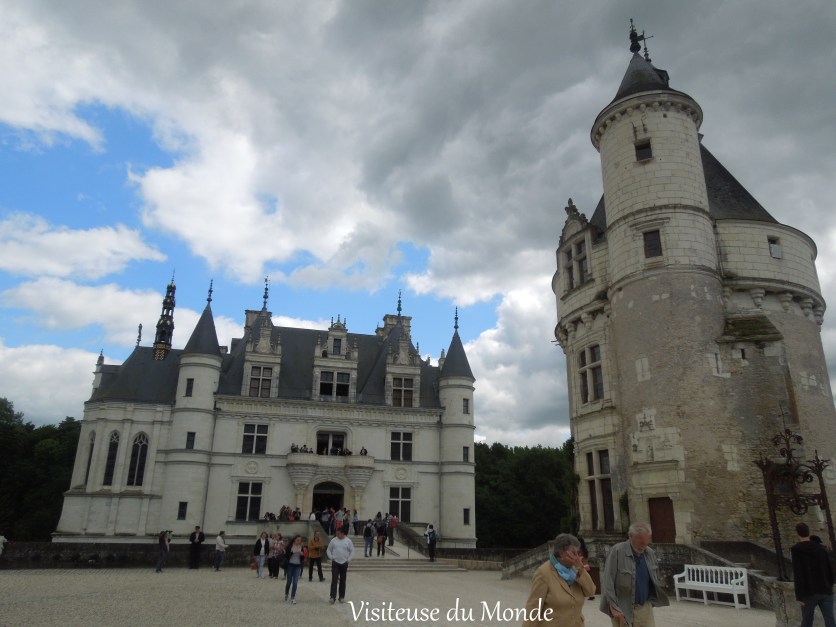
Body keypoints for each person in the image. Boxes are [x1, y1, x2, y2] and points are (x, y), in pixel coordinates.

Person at [600, 522, 669, 627]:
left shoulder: (649, 553)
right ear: (631, 536)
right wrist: (613, 607)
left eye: (646, 543)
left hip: (645, 609)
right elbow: (607, 581)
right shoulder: (617, 551)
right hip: (622, 609)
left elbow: (654, 579)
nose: (644, 546)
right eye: (641, 543)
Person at [523, 533, 596, 627]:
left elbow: (591, 592)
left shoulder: (576, 570)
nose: (577, 557)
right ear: (561, 553)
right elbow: (533, 607)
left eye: (578, 553)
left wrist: (581, 568)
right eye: (574, 553)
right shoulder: (543, 573)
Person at [791, 522, 836, 627]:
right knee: (830, 620)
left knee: (807, 621)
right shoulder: (821, 548)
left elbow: (798, 574)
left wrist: (799, 596)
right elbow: (830, 568)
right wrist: (830, 585)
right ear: (809, 532)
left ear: (798, 533)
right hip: (825, 590)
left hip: (808, 592)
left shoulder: (796, 550)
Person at [326, 526, 355, 604]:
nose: (337, 535)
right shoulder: (333, 540)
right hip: (335, 562)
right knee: (334, 579)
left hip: (344, 563)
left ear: (342, 533)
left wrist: (348, 560)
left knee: (343, 580)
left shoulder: (348, 541)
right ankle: (332, 597)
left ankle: (341, 597)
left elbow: (352, 551)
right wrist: (331, 557)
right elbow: (328, 549)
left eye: (338, 533)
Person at [284, 534, 307, 604]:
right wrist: (293, 552)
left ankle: (293, 597)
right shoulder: (290, 546)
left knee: (295, 582)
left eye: (300, 540)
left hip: (297, 566)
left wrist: (302, 555)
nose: (299, 541)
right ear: (294, 540)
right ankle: (286, 593)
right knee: (289, 582)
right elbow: (286, 555)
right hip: (290, 565)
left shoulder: (301, 547)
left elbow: (303, 558)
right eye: (298, 540)